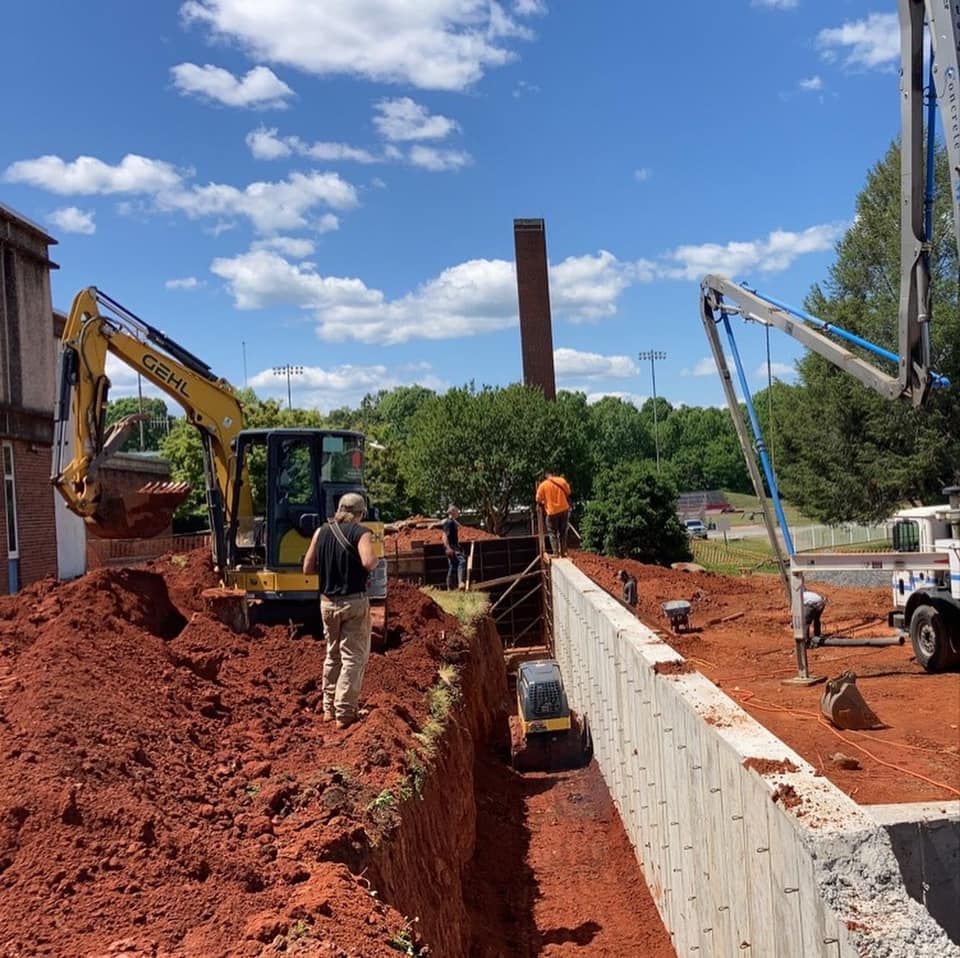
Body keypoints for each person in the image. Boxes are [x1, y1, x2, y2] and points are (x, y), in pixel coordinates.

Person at [302, 492, 379, 729]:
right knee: (353, 657)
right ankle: (345, 712)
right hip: (353, 603)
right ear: (360, 514)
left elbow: (307, 568)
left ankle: (328, 709)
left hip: (327, 604)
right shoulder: (361, 532)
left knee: (332, 654)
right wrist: (374, 562)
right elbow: (368, 562)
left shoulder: (321, 531)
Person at [535, 470, 572, 558]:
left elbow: (538, 499)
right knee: (563, 532)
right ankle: (563, 552)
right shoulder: (561, 480)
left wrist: (544, 501)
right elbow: (569, 492)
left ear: (545, 476)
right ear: (554, 474)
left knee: (552, 532)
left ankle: (556, 553)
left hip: (552, 512)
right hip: (564, 509)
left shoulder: (543, 485)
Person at [442, 504, 467, 591]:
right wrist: (448, 548)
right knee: (462, 561)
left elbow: (459, 526)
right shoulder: (449, 522)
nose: (458, 513)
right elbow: (444, 535)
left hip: (454, 546)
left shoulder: (452, 521)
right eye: (457, 511)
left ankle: (449, 588)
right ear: (453, 512)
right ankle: (460, 582)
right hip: (452, 547)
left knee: (452, 566)